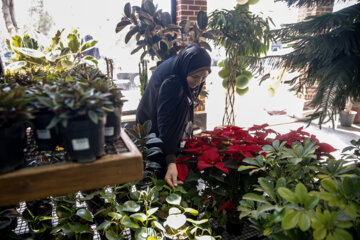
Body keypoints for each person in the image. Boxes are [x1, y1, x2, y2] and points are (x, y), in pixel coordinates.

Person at [136, 45, 211, 187]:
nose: (199, 82)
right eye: (195, 76)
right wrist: (171, 161)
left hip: (157, 115)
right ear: (186, 70)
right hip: (152, 125)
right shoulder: (173, 83)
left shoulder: (182, 63)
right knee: (157, 171)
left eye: (204, 77)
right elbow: (166, 123)